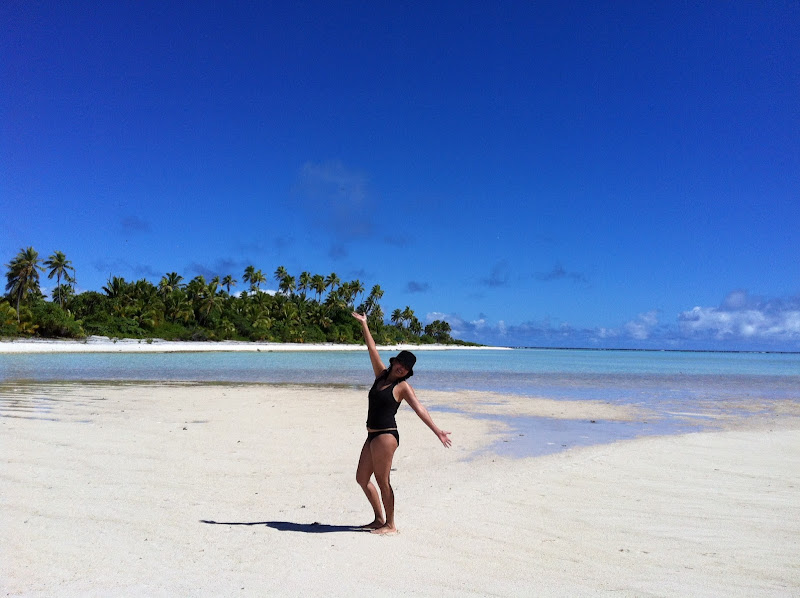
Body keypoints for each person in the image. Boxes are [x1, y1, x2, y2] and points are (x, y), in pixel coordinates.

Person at [352, 311, 451, 535]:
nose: (401, 368)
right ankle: (379, 519)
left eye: (406, 368)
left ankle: (390, 525)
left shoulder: (403, 387)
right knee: (362, 478)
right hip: (371, 434)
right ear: (394, 361)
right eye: (400, 363)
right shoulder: (380, 376)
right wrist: (365, 324)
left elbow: (419, 408)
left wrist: (437, 431)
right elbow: (372, 349)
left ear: (408, 372)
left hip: (386, 435)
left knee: (382, 480)